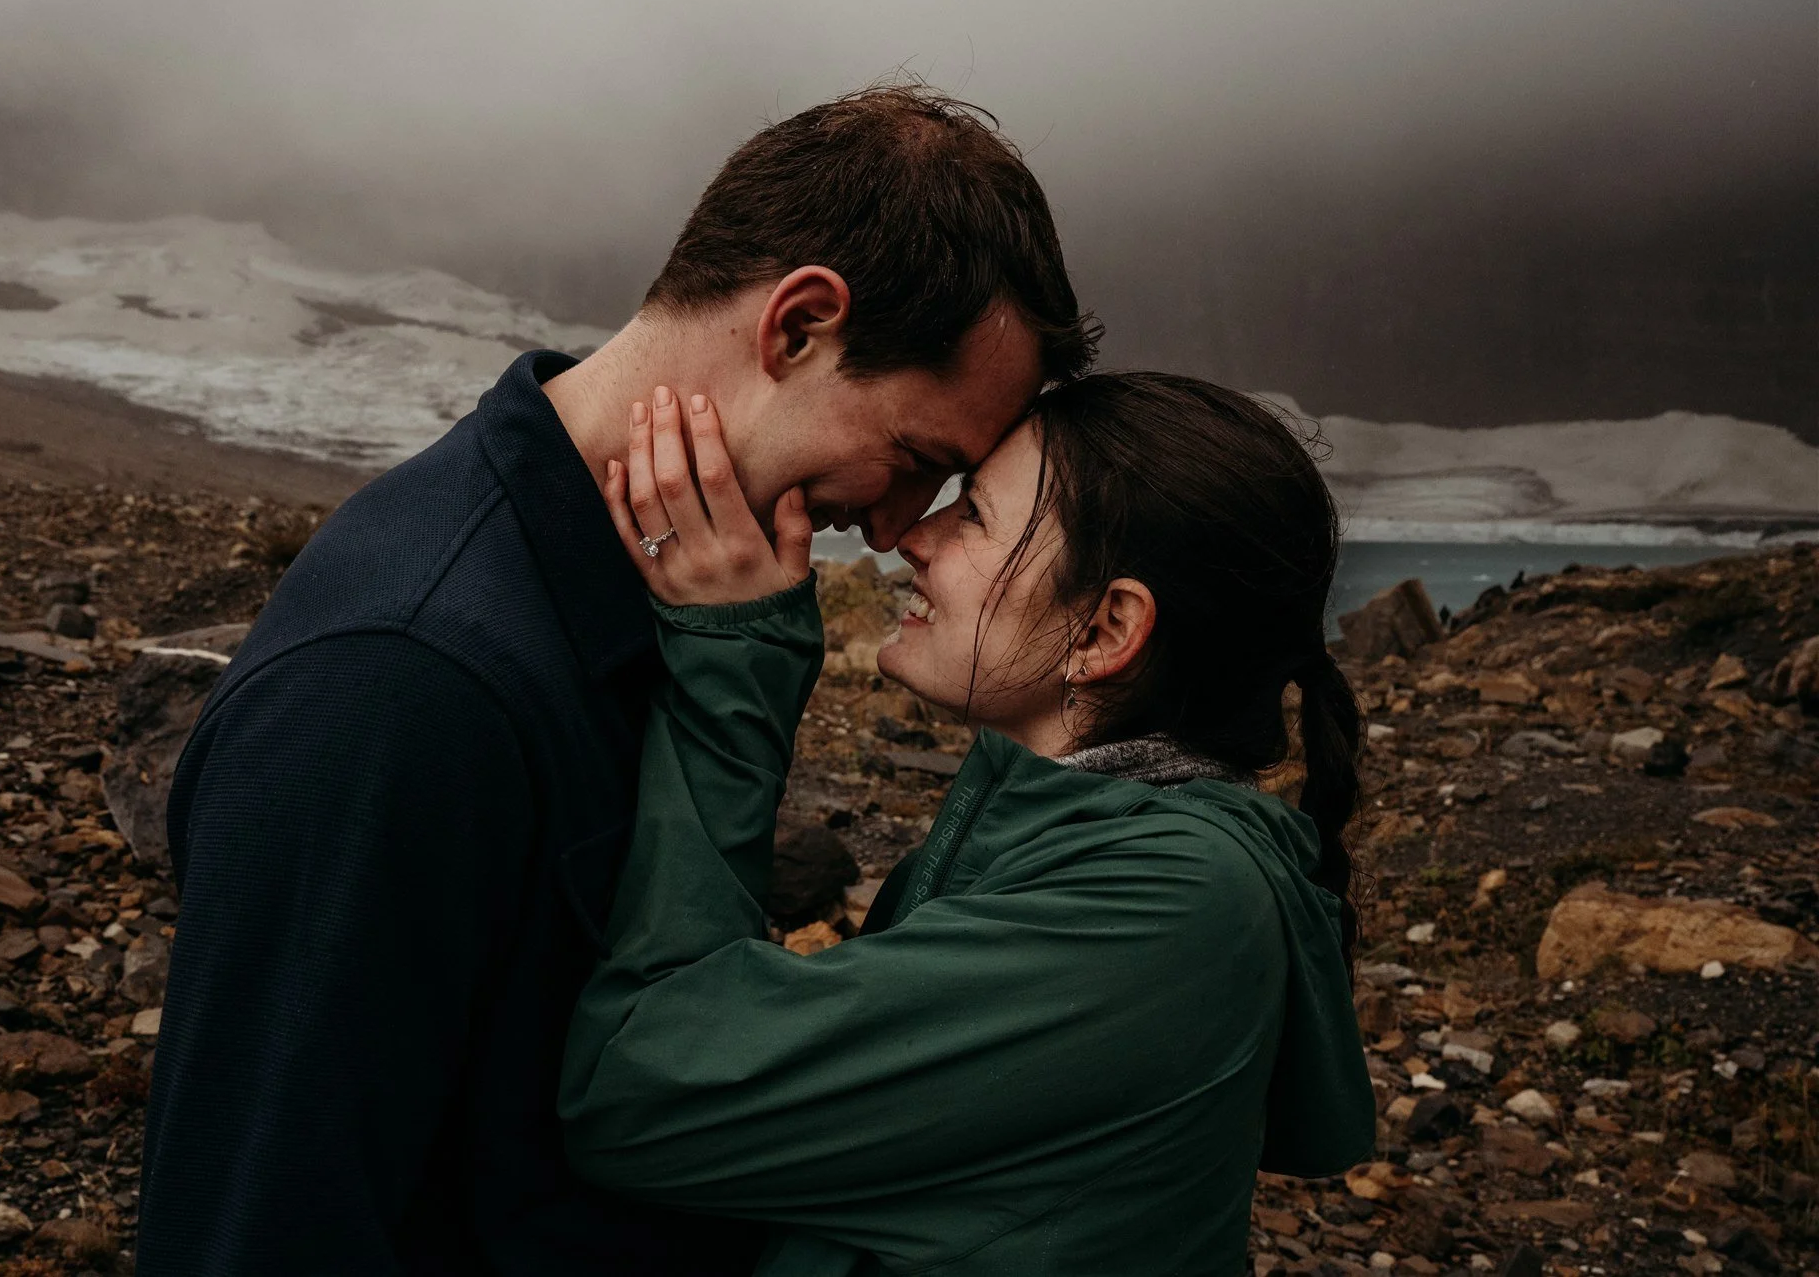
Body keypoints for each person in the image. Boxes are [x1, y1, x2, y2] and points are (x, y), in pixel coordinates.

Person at [136, 85, 1098, 1275]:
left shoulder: (670, 599)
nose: (899, 525)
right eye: (910, 457)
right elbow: (256, 1221)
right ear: (797, 326)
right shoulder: (398, 682)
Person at [560, 371, 1376, 1275]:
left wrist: (734, 667)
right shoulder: (1074, 838)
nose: (912, 536)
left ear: (1104, 630)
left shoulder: (1170, 905)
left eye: (975, 514)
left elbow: (640, 1090)